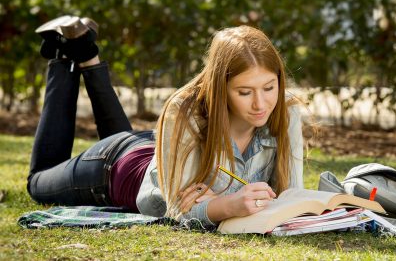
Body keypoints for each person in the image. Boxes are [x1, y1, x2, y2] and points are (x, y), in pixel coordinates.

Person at [27, 15, 304, 229]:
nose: (261, 103)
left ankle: (87, 52)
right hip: (114, 168)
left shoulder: (284, 110)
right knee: (37, 182)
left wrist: (215, 202)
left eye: (269, 87)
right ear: (221, 88)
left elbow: (292, 196)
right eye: (245, 92)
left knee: (124, 137)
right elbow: (177, 209)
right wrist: (226, 205)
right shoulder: (184, 112)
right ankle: (63, 56)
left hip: (155, 150)